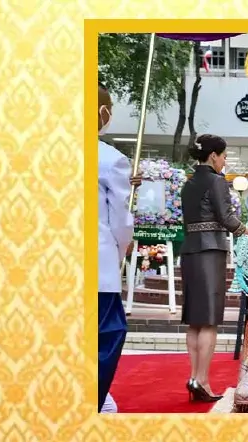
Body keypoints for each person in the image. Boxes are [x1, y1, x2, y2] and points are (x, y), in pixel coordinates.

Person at [180, 134, 248, 402]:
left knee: (195, 320)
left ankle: (194, 376)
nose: (225, 161)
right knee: (209, 319)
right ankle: (202, 381)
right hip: (210, 252)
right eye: (224, 156)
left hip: (190, 250)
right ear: (213, 156)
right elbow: (226, 218)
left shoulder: (188, 183)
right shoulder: (216, 182)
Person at [97, 84, 134, 413]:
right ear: (102, 113)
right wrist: (121, 250)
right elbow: (120, 220)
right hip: (97, 264)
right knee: (106, 334)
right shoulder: (110, 159)